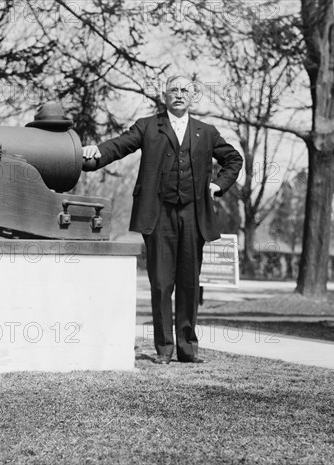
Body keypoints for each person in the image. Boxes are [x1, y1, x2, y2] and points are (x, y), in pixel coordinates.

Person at [82, 75, 243, 364]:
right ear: (164, 95)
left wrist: (217, 186)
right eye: (173, 90)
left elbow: (234, 159)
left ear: (193, 96)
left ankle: (187, 349)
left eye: (185, 90)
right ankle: (164, 349)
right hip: (157, 214)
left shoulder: (206, 132)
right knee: (160, 283)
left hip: (194, 214)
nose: (179, 94)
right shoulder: (148, 126)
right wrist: (96, 153)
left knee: (189, 284)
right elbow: (120, 145)